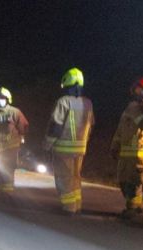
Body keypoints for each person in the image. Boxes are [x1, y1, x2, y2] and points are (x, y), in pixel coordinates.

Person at [44, 68, 94, 215]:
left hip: (63, 148)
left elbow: (55, 126)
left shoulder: (63, 102)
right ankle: (77, 205)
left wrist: (47, 145)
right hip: (80, 149)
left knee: (64, 178)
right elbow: (91, 126)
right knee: (75, 177)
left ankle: (69, 207)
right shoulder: (88, 103)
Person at [110, 77, 143, 219]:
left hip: (139, 153)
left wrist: (135, 112)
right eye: (135, 89)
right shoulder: (130, 108)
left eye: (140, 90)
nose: (137, 92)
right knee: (123, 182)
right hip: (125, 153)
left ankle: (134, 208)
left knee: (134, 183)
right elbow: (120, 129)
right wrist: (114, 145)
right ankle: (137, 205)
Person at [0, 87, 29, 193]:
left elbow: (24, 126)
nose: (0, 100)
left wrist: (20, 136)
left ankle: (7, 192)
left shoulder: (15, 112)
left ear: (8, 99)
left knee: (8, 169)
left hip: (11, 147)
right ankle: (0, 190)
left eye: (3, 98)